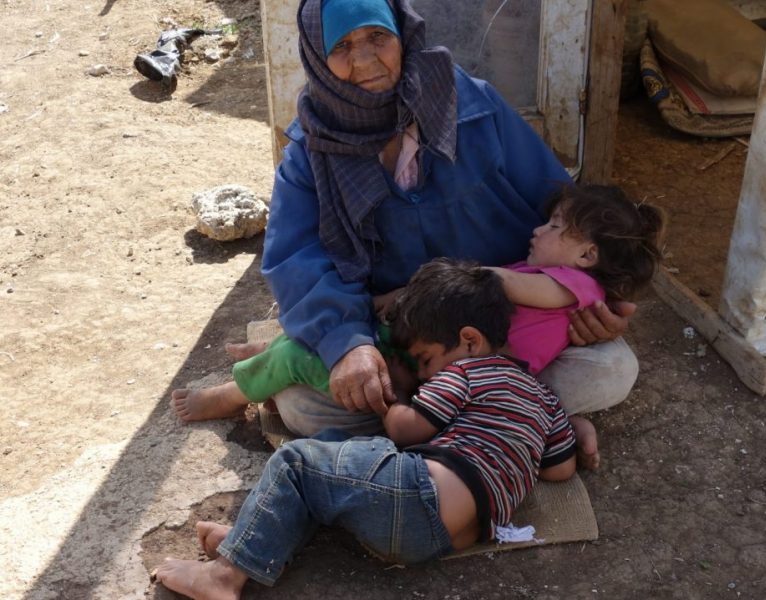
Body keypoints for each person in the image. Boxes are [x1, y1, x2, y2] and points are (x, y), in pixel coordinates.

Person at [172, 0, 638, 437]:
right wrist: (348, 344)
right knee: (305, 408)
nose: (366, 60)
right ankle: (520, 423)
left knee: (612, 370)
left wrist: (598, 301)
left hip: (504, 333)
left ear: (403, 34)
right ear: (316, 56)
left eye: (378, 36)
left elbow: (565, 212)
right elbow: (297, 261)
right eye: (342, 46)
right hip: (395, 333)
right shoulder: (311, 150)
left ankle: (447, 420)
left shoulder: (473, 108)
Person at [156, 259, 580, 600]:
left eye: (426, 360)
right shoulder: (542, 396)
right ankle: (259, 536)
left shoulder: (467, 372)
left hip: (418, 497)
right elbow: (560, 469)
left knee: (298, 462)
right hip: (455, 536)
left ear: (469, 341)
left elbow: (404, 431)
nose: (426, 376)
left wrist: (390, 395)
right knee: (334, 461)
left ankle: (225, 575)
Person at [172, 184, 663, 470]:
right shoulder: (548, 274)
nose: (538, 229)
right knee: (347, 339)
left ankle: (242, 389)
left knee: (315, 365)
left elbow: (503, 285)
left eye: (555, 226)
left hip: (460, 371)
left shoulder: (571, 284)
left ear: (587, 255)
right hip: (449, 357)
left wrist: (445, 280)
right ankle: (281, 351)